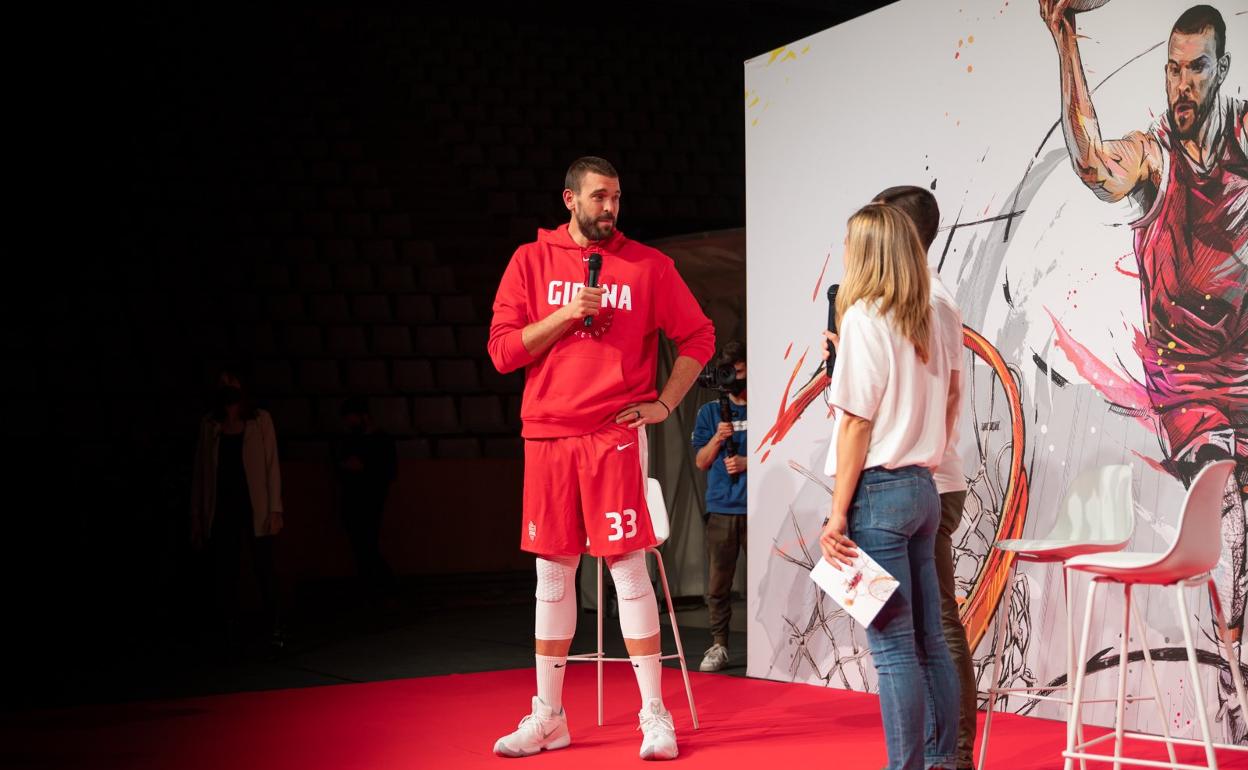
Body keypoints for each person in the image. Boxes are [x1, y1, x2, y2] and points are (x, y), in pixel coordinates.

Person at [1040, 1, 1245, 737]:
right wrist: (1066, 40)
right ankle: (1234, 676)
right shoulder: (1153, 154)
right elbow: (1094, 161)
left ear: (1220, 71)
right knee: (1227, 515)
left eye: (1196, 69)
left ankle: (1236, 653)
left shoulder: (1245, 135)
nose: (1181, 84)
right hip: (1188, 383)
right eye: (1172, 68)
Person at [487, 156, 715, 760]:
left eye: (616, 197)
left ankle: (654, 715)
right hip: (548, 437)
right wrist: (565, 314)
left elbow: (699, 337)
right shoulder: (529, 261)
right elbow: (504, 352)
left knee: (627, 569)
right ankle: (549, 717)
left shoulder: (648, 265)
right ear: (569, 199)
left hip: (614, 434)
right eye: (598, 197)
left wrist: (665, 405)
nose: (609, 208)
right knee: (553, 575)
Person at [819, 203, 960, 770]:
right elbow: (950, 398)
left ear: (869, 251)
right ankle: (942, 760)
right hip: (924, 487)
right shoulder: (932, 315)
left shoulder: (864, 318)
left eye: (851, 243)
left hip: (878, 492)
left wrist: (835, 515)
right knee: (928, 640)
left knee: (895, 646)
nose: (846, 253)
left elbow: (854, 422)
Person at [873, 186, 975, 770]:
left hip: (928, 477)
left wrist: (926, 451)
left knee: (934, 624)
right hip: (921, 473)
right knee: (918, 627)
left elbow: (952, 394)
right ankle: (942, 752)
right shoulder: (913, 298)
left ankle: (954, 753)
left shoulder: (931, 301)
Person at [190, 368, 285, 648]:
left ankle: (276, 627)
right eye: (222, 382)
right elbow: (201, 472)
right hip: (223, 506)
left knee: (264, 568)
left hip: (254, 504)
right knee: (226, 569)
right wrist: (196, 515)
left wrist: (275, 508)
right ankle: (230, 628)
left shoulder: (260, 420)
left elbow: (271, 466)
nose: (227, 385)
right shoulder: (210, 424)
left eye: (232, 380)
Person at [691, 341, 747, 673]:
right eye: (728, 373)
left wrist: (746, 461)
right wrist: (716, 438)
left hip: (759, 508)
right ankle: (719, 644)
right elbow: (701, 461)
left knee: (768, 582)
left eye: (738, 371)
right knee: (718, 585)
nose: (733, 379)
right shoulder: (710, 412)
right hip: (723, 507)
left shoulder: (768, 405)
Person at [333, 396, 397, 596]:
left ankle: (381, 587)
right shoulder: (348, 440)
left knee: (367, 546)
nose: (348, 423)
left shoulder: (382, 440)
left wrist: (364, 468)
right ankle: (375, 589)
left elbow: (389, 470)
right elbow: (338, 466)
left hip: (372, 501)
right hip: (351, 501)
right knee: (361, 547)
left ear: (364, 417)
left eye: (351, 418)